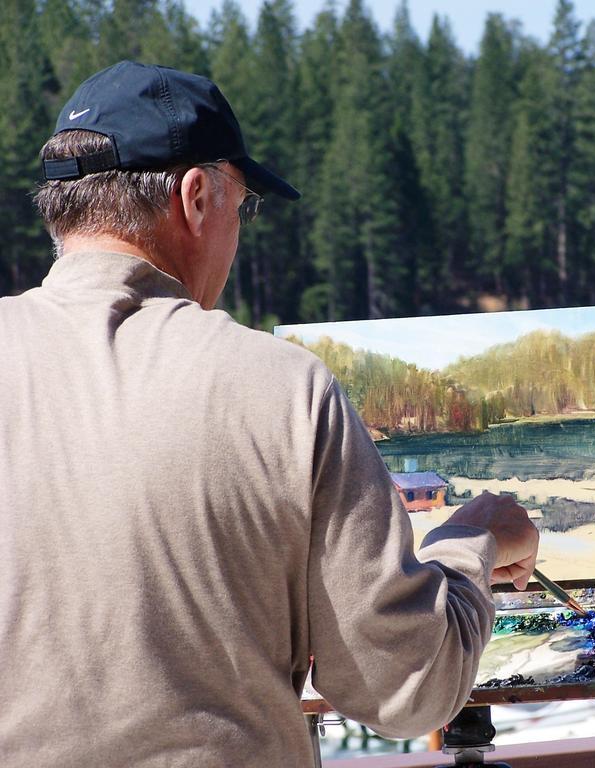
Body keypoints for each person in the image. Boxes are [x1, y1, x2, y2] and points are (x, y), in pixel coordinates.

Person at [0, 60, 539, 767]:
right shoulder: (282, 389)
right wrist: (475, 541)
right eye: (242, 205)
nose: (238, 231)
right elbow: (402, 688)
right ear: (196, 198)